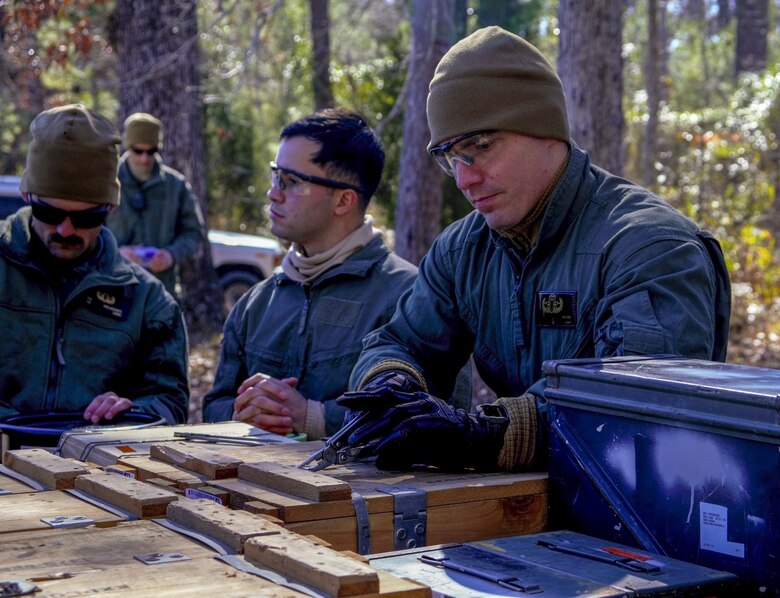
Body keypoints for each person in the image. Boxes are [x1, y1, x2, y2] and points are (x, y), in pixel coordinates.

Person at [339, 26, 731, 473]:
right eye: (451, 157)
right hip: (519, 511)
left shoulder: (650, 247)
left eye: (481, 147)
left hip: (639, 520)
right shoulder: (463, 250)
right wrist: (390, 383)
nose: (465, 179)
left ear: (545, 130)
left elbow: (637, 406)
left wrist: (485, 434)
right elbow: (402, 341)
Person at [202, 108, 418, 439]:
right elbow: (215, 405)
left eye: (292, 182)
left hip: (362, 492)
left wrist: (313, 417)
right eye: (276, 176)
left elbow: (431, 419)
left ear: (344, 200)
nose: (273, 193)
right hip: (254, 488)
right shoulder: (254, 304)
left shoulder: (410, 297)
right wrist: (242, 412)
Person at [0, 104, 189, 424]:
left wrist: (133, 414)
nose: (66, 230)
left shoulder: (148, 303)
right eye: (50, 213)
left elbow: (170, 400)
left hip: (93, 468)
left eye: (87, 217)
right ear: (27, 195)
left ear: (110, 208)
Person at [106, 112, 204, 299]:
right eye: (138, 151)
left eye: (151, 151)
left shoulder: (176, 185)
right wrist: (116, 253)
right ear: (127, 147)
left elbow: (193, 232)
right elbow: (89, 232)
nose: (144, 158)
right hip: (114, 288)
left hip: (161, 292)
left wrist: (171, 255)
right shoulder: (106, 181)